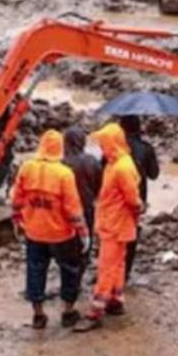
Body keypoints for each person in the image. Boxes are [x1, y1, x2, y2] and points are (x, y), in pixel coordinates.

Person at [11, 130, 89, 329]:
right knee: (69, 270)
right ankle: (68, 311)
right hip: (61, 234)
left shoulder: (26, 168)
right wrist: (83, 232)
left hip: (34, 232)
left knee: (35, 270)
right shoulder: (64, 174)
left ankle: (38, 314)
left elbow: (16, 200)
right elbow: (73, 208)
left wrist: (18, 221)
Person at [75, 123, 143, 331]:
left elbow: (133, 199)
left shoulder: (121, 167)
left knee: (106, 267)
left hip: (115, 224)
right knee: (118, 263)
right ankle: (116, 299)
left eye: (103, 143)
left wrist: (138, 210)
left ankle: (96, 310)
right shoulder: (117, 163)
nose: (101, 148)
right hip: (114, 222)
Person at [119, 115, 159, 278]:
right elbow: (154, 174)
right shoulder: (146, 148)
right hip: (137, 199)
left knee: (113, 234)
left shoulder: (114, 147)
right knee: (131, 233)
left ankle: (113, 268)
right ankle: (126, 271)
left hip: (115, 198)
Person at [63, 127, 103, 239]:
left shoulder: (60, 162)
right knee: (86, 239)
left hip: (64, 209)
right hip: (87, 205)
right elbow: (100, 187)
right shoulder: (92, 161)